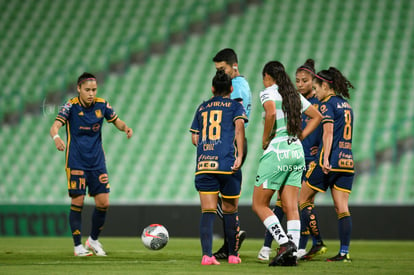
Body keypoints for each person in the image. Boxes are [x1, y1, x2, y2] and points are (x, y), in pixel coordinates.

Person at [49, 72, 133, 256]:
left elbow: (116, 121)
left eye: (94, 89)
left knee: (103, 203)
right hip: (76, 161)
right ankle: (78, 246)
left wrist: (125, 127)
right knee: (77, 201)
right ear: (78, 89)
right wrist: (56, 137)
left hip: (97, 162)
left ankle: (93, 240)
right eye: (87, 90)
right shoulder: (70, 106)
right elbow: (55, 125)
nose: (91, 93)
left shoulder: (102, 105)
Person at [252, 61, 322, 266]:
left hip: (278, 151)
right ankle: (292, 251)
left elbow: (271, 113)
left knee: (259, 204)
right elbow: (317, 116)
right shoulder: (293, 95)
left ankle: (284, 244)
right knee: (292, 205)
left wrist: (265, 139)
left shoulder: (268, 92)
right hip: (296, 151)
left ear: (267, 77)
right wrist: (301, 136)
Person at [190, 70, 248, 265]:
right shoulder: (235, 106)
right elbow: (239, 128)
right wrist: (239, 155)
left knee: (208, 211)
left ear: (212, 88)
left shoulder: (202, 108)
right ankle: (233, 255)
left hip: (205, 165)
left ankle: (207, 255)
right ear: (231, 89)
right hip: (227, 165)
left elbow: (194, 138)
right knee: (230, 210)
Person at [299, 67, 355, 262]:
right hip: (347, 162)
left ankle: (317, 241)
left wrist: (324, 159)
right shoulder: (346, 105)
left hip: (330, 161)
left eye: (316, 87)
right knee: (342, 208)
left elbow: (328, 133)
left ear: (325, 85)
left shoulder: (326, 104)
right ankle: (344, 252)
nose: (315, 92)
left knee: (303, 199)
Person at [211, 48, 252, 259]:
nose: (221, 73)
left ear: (233, 66)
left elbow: (235, 121)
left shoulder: (235, 87)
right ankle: (230, 243)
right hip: (233, 144)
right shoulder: (242, 84)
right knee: (223, 198)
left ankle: (232, 235)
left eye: (222, 68)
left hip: (230, 145)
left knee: (217, 197)